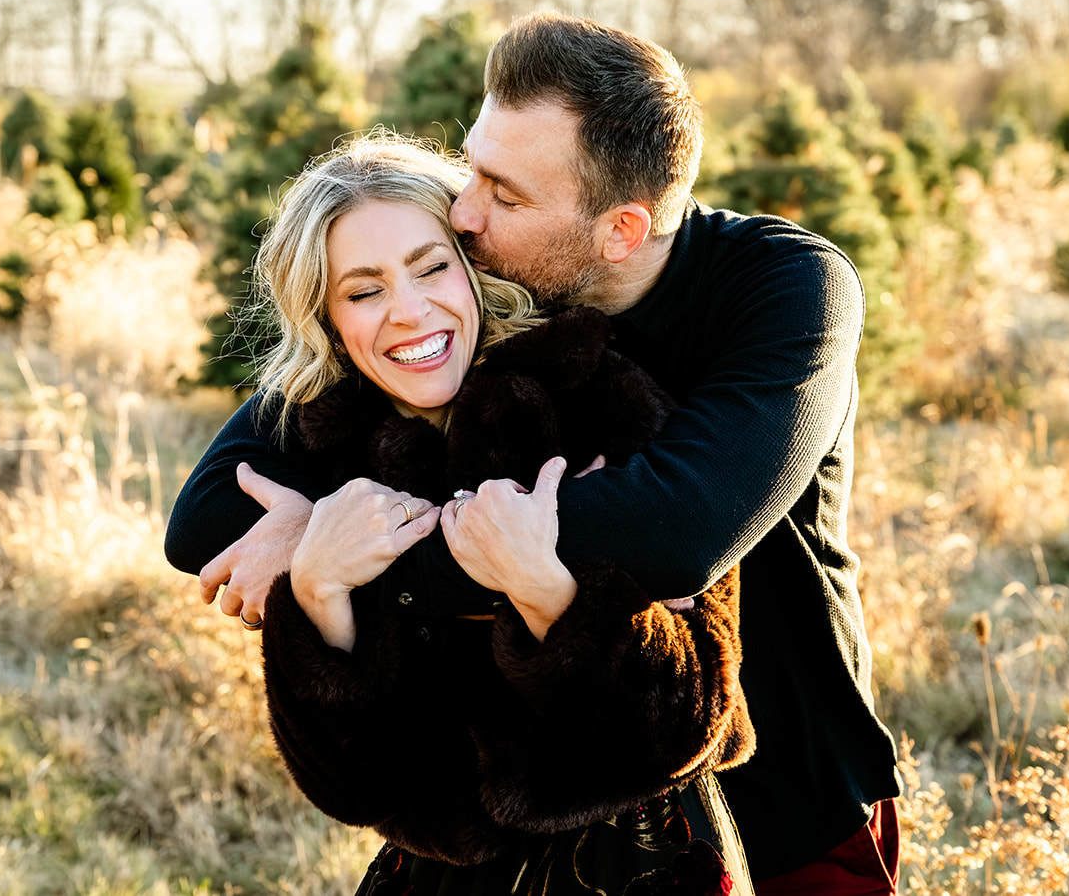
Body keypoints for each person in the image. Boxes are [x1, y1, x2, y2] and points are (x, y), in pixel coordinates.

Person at [166, 12, 903, 895]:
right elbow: (210, 514)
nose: (465, 212)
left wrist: (359, 551)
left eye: (503, 193)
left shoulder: (785, 288)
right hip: (516, 827)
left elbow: (673, 529)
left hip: (787, 775)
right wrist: (329, 548)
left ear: (620, 230)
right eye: (473, 167)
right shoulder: (490, 290)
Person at [235, 135, 756, 894]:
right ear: (326, 314)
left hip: (637, 861)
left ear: (474, 266)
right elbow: (347, 785)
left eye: (431, 267)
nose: (410, 314)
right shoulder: (328, 453)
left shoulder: (604, 402)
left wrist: (544, 589)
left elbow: (687, 723)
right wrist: (313, 590)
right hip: (437, 877)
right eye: (363, 289)